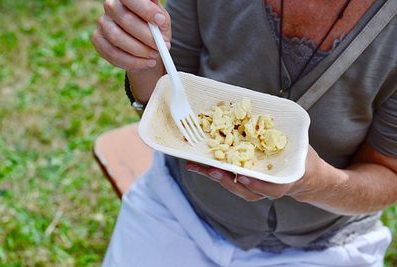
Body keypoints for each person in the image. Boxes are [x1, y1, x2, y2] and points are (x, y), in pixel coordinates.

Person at [92, 0, 397, 266]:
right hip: (181, 209)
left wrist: (310, 183)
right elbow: (166, 94)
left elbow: (387, 173)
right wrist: (142, 56)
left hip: (324, 243)